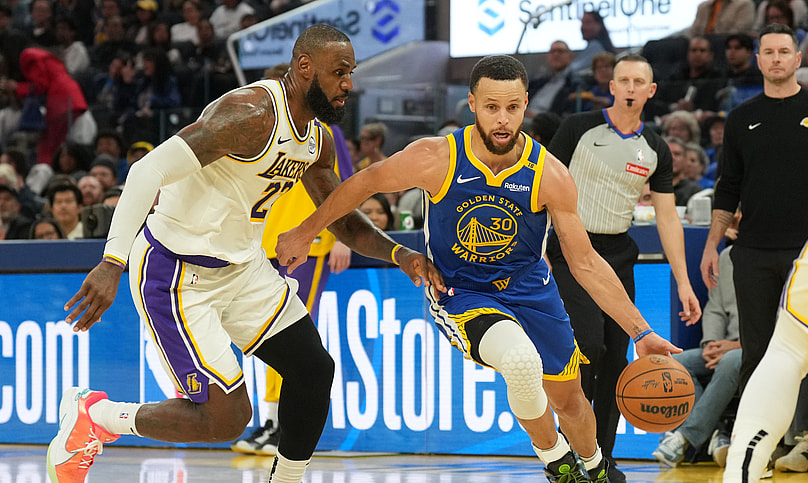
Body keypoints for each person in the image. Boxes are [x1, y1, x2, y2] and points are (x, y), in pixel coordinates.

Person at [52, 25, 442, 483]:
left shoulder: (316, 142)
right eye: (339, 73)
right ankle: (97, 416)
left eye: (350, 73)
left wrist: (400, 254)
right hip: (176, 273)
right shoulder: (250, 114)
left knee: (314, 370)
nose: (348, 85)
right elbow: (146, 169)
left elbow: (342, 219)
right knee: (227, 417)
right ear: (304, 68)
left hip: (244, 269)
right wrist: (112, 261)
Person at [275, 54, 683, 483]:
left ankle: (596, 471)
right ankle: (558, 462)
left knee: (571, 401)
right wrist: (305, 232)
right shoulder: (435, 157)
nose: (502, 119)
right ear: (472, 104)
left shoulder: (550, 174)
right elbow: (362, 183)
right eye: (491, 107)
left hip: (531, 289)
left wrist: (642, 331)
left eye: (512, 107)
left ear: (526, 104)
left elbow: (585, 263)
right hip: (463, 293)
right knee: (521, 363)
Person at [700, 23, 808, 481]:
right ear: (759, 60)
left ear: (798, 59)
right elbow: (728, 187)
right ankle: (755, 452)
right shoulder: (742, 117)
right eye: (769, 52)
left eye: (785, 51)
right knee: (758, 353)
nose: (777, 58)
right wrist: (711, 244)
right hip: (755, 253)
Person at [546, 54, 702, 482]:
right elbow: (540, 183)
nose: (631, 87)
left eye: (639, 82)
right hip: (569, 250)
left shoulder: (656, 147)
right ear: (611, 86)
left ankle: (602, 460)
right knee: (589, 346)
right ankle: (574, 451)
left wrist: (684, 281)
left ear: (651, 91)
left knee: (618, 359)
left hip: (618, 253)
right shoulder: (577, 128)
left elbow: (669, 218)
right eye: (624, 80)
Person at [230, 61, 355, 457]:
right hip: (257, 247)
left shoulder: (324, 134)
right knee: (262, 340)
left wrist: (341, 238)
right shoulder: (257, 134)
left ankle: (276, 424)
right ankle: (269, 421)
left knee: (285, 338)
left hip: (303, 248)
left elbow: (348, 188)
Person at [653, 245, 741, 468]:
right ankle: (717, 435)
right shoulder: (728, 256)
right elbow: (716, 308)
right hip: (723, 345)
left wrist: (739, 345)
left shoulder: (781, 254)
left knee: (731, 361)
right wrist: (711, 342)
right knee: (675, 364)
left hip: (760, 347)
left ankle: (682, 439)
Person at [687, 0, 755, 37]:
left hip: (725, 42)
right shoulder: (703, 6)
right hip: (702, 42)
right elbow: (693, 30)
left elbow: (740, 30)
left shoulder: (744, 4)